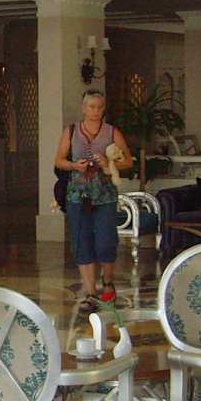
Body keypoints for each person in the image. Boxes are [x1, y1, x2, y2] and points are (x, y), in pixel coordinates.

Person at [53, 89, 133, 304]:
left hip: (105, 194)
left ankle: (107, 281)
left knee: (106, 241)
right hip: (78, 195)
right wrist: (74, 165)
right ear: (84, 108)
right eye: (91, 107)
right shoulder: (71, 131)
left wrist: (108, 163)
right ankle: (90, 292)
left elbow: (128, 161)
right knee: (82, 241)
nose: (95, 111)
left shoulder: (112, 132)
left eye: (99, 107)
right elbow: (59, 160)